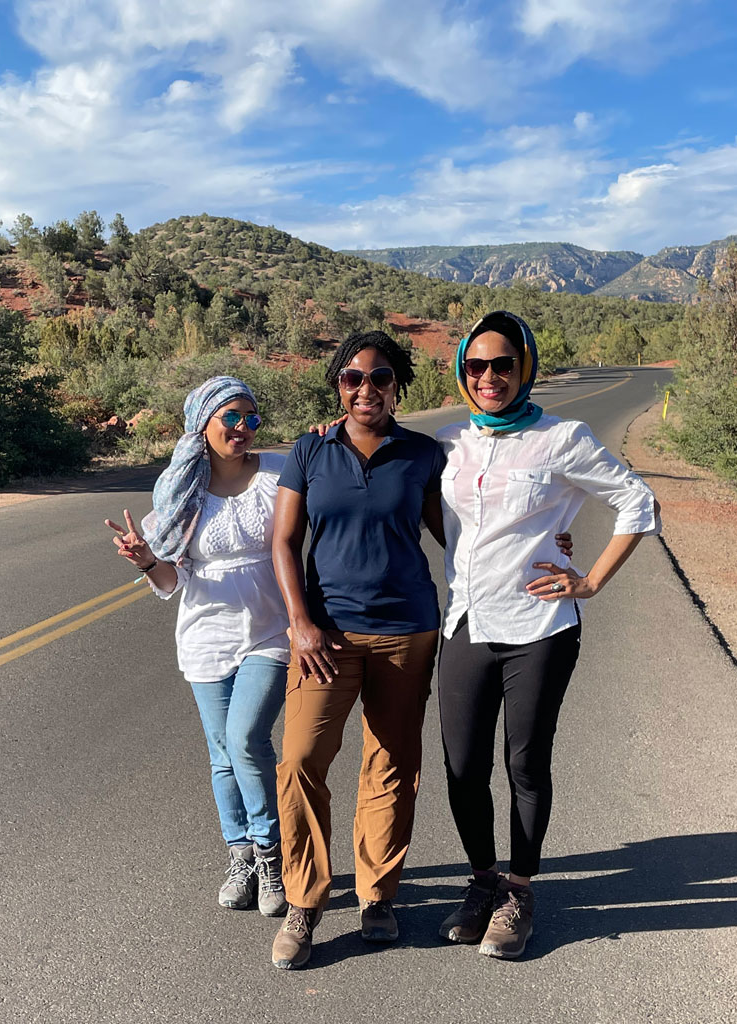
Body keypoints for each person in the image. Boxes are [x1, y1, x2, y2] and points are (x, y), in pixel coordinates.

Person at [435, 311, 660, 960]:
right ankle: (482, 881)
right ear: (461, 372)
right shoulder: (449, 442)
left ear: (524, 367)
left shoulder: (562, 439)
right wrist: (319, 433)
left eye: (503, 364)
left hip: (539, 629)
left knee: (525, 763)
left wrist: (588, 579)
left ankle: (518, 893)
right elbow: (381, 464)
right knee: (462, 769)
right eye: (476, 366)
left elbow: (636, 502)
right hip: (468, 625)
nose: (489, 377)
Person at [269, 330, 448, 970]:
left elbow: (463, 529)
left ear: (398, 386)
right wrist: (300, 622)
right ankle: (305, 901)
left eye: (379, 378)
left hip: (407, 629)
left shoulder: (425, 454)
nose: (365, 389)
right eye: (352, 378)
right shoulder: (310, 451)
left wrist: (546, 539)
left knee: (393, 763)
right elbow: (284, 541)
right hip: (327, 635)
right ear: (337, 386)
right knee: (299, 760)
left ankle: (377, 895)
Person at [104, 376, 289, 917]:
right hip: (205, 638)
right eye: (231, 417)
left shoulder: (277, 475)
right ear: (202, 423)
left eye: (251, 418)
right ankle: (241, 856)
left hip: (270, 632)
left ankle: (270, 853)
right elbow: (170, 581)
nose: (243, 428)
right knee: (222, 756)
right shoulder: (180, 492)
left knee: (246, 738)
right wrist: (145, 560)